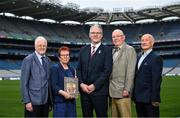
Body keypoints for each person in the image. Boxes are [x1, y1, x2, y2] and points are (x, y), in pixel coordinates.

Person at [76, 24, 113, 117]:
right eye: (93, 33)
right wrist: (81, 84)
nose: (95, 35)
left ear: (101, 35)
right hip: (84, 92)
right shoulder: (83, 50)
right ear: (89, 35)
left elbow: (107, 71)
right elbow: (78, 69)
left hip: (100, 92)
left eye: (98, 33)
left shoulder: (107, 50)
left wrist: (94, 86)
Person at [20, 36, 52, 117]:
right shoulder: (28, 60)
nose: (42, 47)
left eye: (44, 45)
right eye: (40, 45)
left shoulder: (48, 61)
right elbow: (24, 83)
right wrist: (27, 101)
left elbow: (48, 82)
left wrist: (49, 101)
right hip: (33, 103)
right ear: (35, 46)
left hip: (45, 102)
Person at [133, 34, 163, 117]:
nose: (143, 42)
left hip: (149, 99)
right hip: (138, 98)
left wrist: (155, 98)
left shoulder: (156, 58)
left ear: (152, 43)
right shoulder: (138, 56)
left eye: (146, 40)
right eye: (142, 40)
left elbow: (156, 80)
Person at [109, 29, 137, 117]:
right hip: (112, 93)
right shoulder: (113, 51)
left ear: (123, 37)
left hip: (123, 93)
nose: (115, 38)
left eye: (118, 36)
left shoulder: (130, 50)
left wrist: (127, 89)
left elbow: (130, 71)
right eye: (113, 37)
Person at [51, 46, 77, 117]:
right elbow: (53, 85)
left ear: (69, 57)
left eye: (67, 55)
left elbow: (73, 85)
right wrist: (64, 93)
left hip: (71, 103)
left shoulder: (72, 69)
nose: (65, 57)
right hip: (60, 103)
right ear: (59, 57)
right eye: (63, 55)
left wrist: (75, 92)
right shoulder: (55, 68)